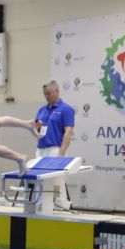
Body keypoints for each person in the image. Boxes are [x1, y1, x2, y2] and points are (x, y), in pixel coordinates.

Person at [34, 80, 75, 208]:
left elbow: (68, 132)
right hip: (41, 149)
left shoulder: (66, 109)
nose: (46, 96)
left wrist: (61, 154)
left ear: (57, 91)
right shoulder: (42, 109)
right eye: (44, 94)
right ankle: (41, 205)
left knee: (57, 180)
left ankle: (61, 205)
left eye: (49, 93)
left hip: (55, 149)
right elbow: (36, 130)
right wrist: (37, 127)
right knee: (40, 179)